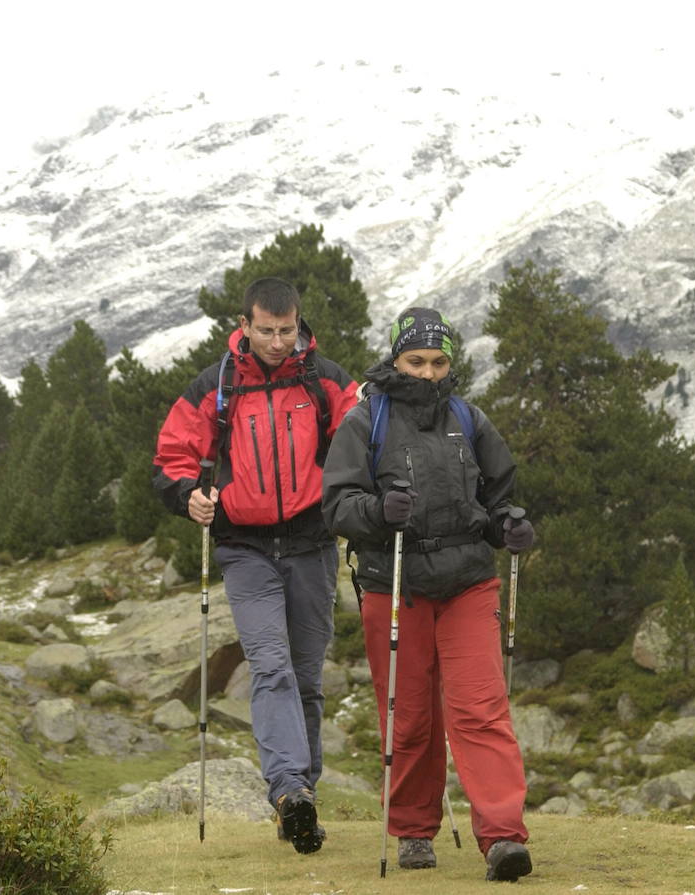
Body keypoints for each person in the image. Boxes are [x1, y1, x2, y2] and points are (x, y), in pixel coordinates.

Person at [321, 307, 537, 882]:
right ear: (395, 359)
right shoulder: (365, 422)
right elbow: (337, 506)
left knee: (480, 709)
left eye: (438, 362)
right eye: (416, 361)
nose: (427, 372)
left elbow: (499, 495)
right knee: (408, 714)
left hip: (468, 578)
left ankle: (502, 837)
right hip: (394, 584)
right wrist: (375, 511)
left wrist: (510, 525)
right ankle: (414, 828)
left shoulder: (468, 418)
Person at [153, 276, 358, 854]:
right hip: (243, 549)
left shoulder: (326, 380)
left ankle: (303, 802)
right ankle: (288, 792)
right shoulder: (214, 387)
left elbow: (366, 437)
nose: (275, 342)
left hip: (312, 544)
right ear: (243, 325)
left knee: (308, 680)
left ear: (300, 325)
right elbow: (172, 456)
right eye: (265, 331)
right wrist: (187, 493)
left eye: (286, 331)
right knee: (271, 668)